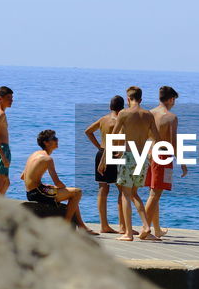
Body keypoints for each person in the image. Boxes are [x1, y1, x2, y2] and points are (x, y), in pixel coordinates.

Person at [100, 86, 159, 241]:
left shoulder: (124, 113)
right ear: (141, 99)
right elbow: (156, 138)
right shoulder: (148, 115)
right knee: (134, 193)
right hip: (142, 156)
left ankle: (128, 233)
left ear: (128, 99)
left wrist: (104, 159)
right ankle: (146, 226)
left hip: (128, 155)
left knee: (126, 194)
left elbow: (112, 138)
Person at [21, 129, 97, 233]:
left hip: (32, 192)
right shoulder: (47, 159)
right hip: (39, 193)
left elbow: (23, 176)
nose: (57, 140)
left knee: (72, 193)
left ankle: (82, 226)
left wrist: (42, 185)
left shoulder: (34, 154)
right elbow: (58, 183)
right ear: (46, 142)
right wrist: (60, 187)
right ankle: (66, 225)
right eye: (54, 139)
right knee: (77, 192)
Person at [143, 86, 188, 240]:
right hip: (162, 156)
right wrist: (182, 161)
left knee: (153, 193)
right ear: (171, 99)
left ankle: (156, 229)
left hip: (149, 154)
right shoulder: (171, 117)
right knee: (155, 194)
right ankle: (145, 230)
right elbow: (173, 142)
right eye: (174, 100)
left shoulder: (149, 113)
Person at [84, 95, 125, 233]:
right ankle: (122, 225)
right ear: (123, 108)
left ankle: (104, 225)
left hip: (101, 152)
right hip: (114, 154)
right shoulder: (120, 121)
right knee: (122, 190)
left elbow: (88, 131)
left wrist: (98, 146)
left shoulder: (103, 119)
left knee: (103, 189)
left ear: (110, 107)